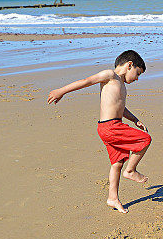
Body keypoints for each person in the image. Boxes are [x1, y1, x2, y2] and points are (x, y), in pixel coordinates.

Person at [47, 50, 151, 213]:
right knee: (144, 139)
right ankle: (131, 170)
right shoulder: (110, 75)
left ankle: (113, 198)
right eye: (137, 73)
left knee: (117, 163)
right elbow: (86, 81)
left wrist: (135, 119)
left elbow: (121, 108)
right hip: (111, 127)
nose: (137, 78)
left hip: (110, 127)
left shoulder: (122, 86)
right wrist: (62, 91)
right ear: (129, 65)